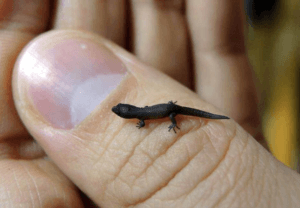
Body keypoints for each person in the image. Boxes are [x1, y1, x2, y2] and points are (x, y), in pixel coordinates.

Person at [1, 1, 299, 207]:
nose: (119, 112)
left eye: (120, 112)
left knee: (198, 113)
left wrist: (169, 123)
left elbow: (142, 119)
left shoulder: (137, 118)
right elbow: (140, 117)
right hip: (168, 108)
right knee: (191, 109)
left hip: (170, 110)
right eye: (121, 112)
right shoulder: (136, 116)